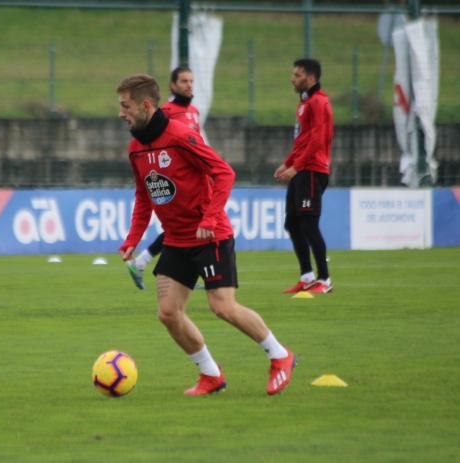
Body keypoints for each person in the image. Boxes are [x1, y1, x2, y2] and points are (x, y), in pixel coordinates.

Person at [117, 74, 296, 396]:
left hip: (210, 236)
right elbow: (144, 196)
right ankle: (211, 374)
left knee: (223, 307)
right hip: (176, 240)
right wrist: (132, 239)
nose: (120, 113)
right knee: (168, 313)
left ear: (145, 105)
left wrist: (211, 217)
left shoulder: (181, 136)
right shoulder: (135, 149)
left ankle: (280, 355)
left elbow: (224, 172)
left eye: (125, 105)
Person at [126, 66, 201, 290]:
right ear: (173, 86)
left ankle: (143, 261)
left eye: (191, 81)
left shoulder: (194, 111)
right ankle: (190, 273)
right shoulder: (166, 111)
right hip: (171, 179)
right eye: (184, 81)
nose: (189, 85)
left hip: (194, 178)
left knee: (187, 226)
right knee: (181, 227)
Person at [275, 58, 333, 294]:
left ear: (310, 78)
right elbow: (303, 140)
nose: (293, 79)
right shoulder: (305, 103)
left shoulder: (319, 102)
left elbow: (317, 141)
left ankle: (325, 280)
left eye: (297, 75)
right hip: (302, 168)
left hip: (312, 170)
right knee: (292, 223)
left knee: (309, 224)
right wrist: (286, 163)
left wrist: (296, 167)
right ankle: (307, 276)